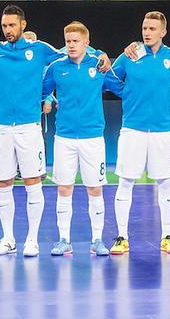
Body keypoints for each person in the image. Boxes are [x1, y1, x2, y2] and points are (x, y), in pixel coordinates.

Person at [0, 6, 104, 257]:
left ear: (23, 25)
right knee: (2, 182)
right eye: (4, 26)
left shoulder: (41, 50)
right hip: (2, 126)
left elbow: (71, 51)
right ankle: (7, 239)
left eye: (11, 25)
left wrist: (101, 54)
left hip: (29, 127)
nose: (7, 30)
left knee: (32, 181)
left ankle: (32, 240)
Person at [106, 12, 170, 255]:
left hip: (162, 132)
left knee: (165, 184)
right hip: (132, 129)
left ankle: (167, 236)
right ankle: (121, 237)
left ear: (163, 32)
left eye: (153, 28)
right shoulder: (130, 54)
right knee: (125, 183)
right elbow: (110, 80)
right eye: (145, 27)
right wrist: (129, 94)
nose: (147, 32)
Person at [42, 22, 122, 257]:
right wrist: (46, 98)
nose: (71, 45)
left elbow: (121, 87)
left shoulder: (99, 66)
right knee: (64, 189)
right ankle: (63, 239)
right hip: (64, 137)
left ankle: (97, 239)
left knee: (94, 189)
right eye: (68, 41)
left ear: (87, 43)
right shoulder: (56, 67)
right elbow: (40, 90)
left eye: (76, 41)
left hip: (92, 138)